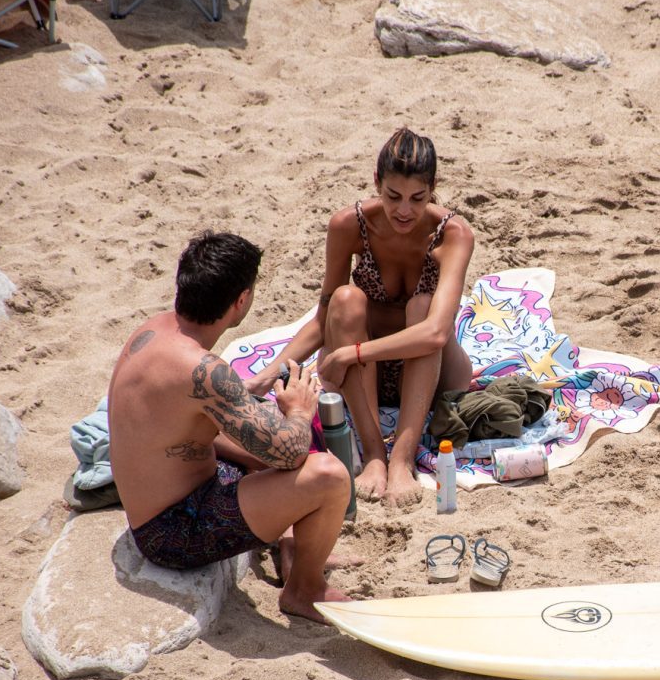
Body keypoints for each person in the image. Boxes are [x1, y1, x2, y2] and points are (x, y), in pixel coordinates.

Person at [108, 231, 354, 624]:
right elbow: (289, 450)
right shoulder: (201, 369)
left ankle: (293, 546)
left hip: (161, 497)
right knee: (326, 473)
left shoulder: (153, 329)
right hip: (173, 532)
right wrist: (299, 409)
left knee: (261, 435)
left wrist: (251, 394)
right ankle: (304, 591)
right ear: (241, 301)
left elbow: (184, 412)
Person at [243, 128, 476, 507]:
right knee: (347, 298)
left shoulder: (452, 233)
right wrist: (272, 372)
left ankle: (401, 459)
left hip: (429, 371)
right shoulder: (348, 225)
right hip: (365, 380)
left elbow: (434, 334)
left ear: (433, 188)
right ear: (375, 183)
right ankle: (373, 455)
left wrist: (353, 353)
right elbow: (326, 317)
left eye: (418, 198)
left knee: (421, 308)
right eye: (393, 196)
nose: (404, 210)